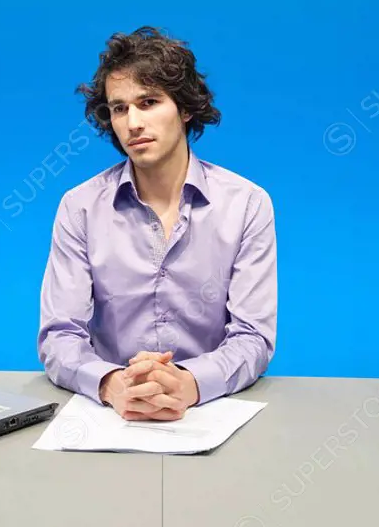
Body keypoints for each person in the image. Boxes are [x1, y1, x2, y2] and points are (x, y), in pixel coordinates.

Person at [37, 26, 277, 421]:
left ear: (184, 109)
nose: (132, 122)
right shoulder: (79, 207)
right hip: (110, 416)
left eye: (148, 102)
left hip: (209, 413)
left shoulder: (248, 204)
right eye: (119, 108)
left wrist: (189, 383)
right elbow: (60, 335)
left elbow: (253, 336)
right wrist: (112, 384)